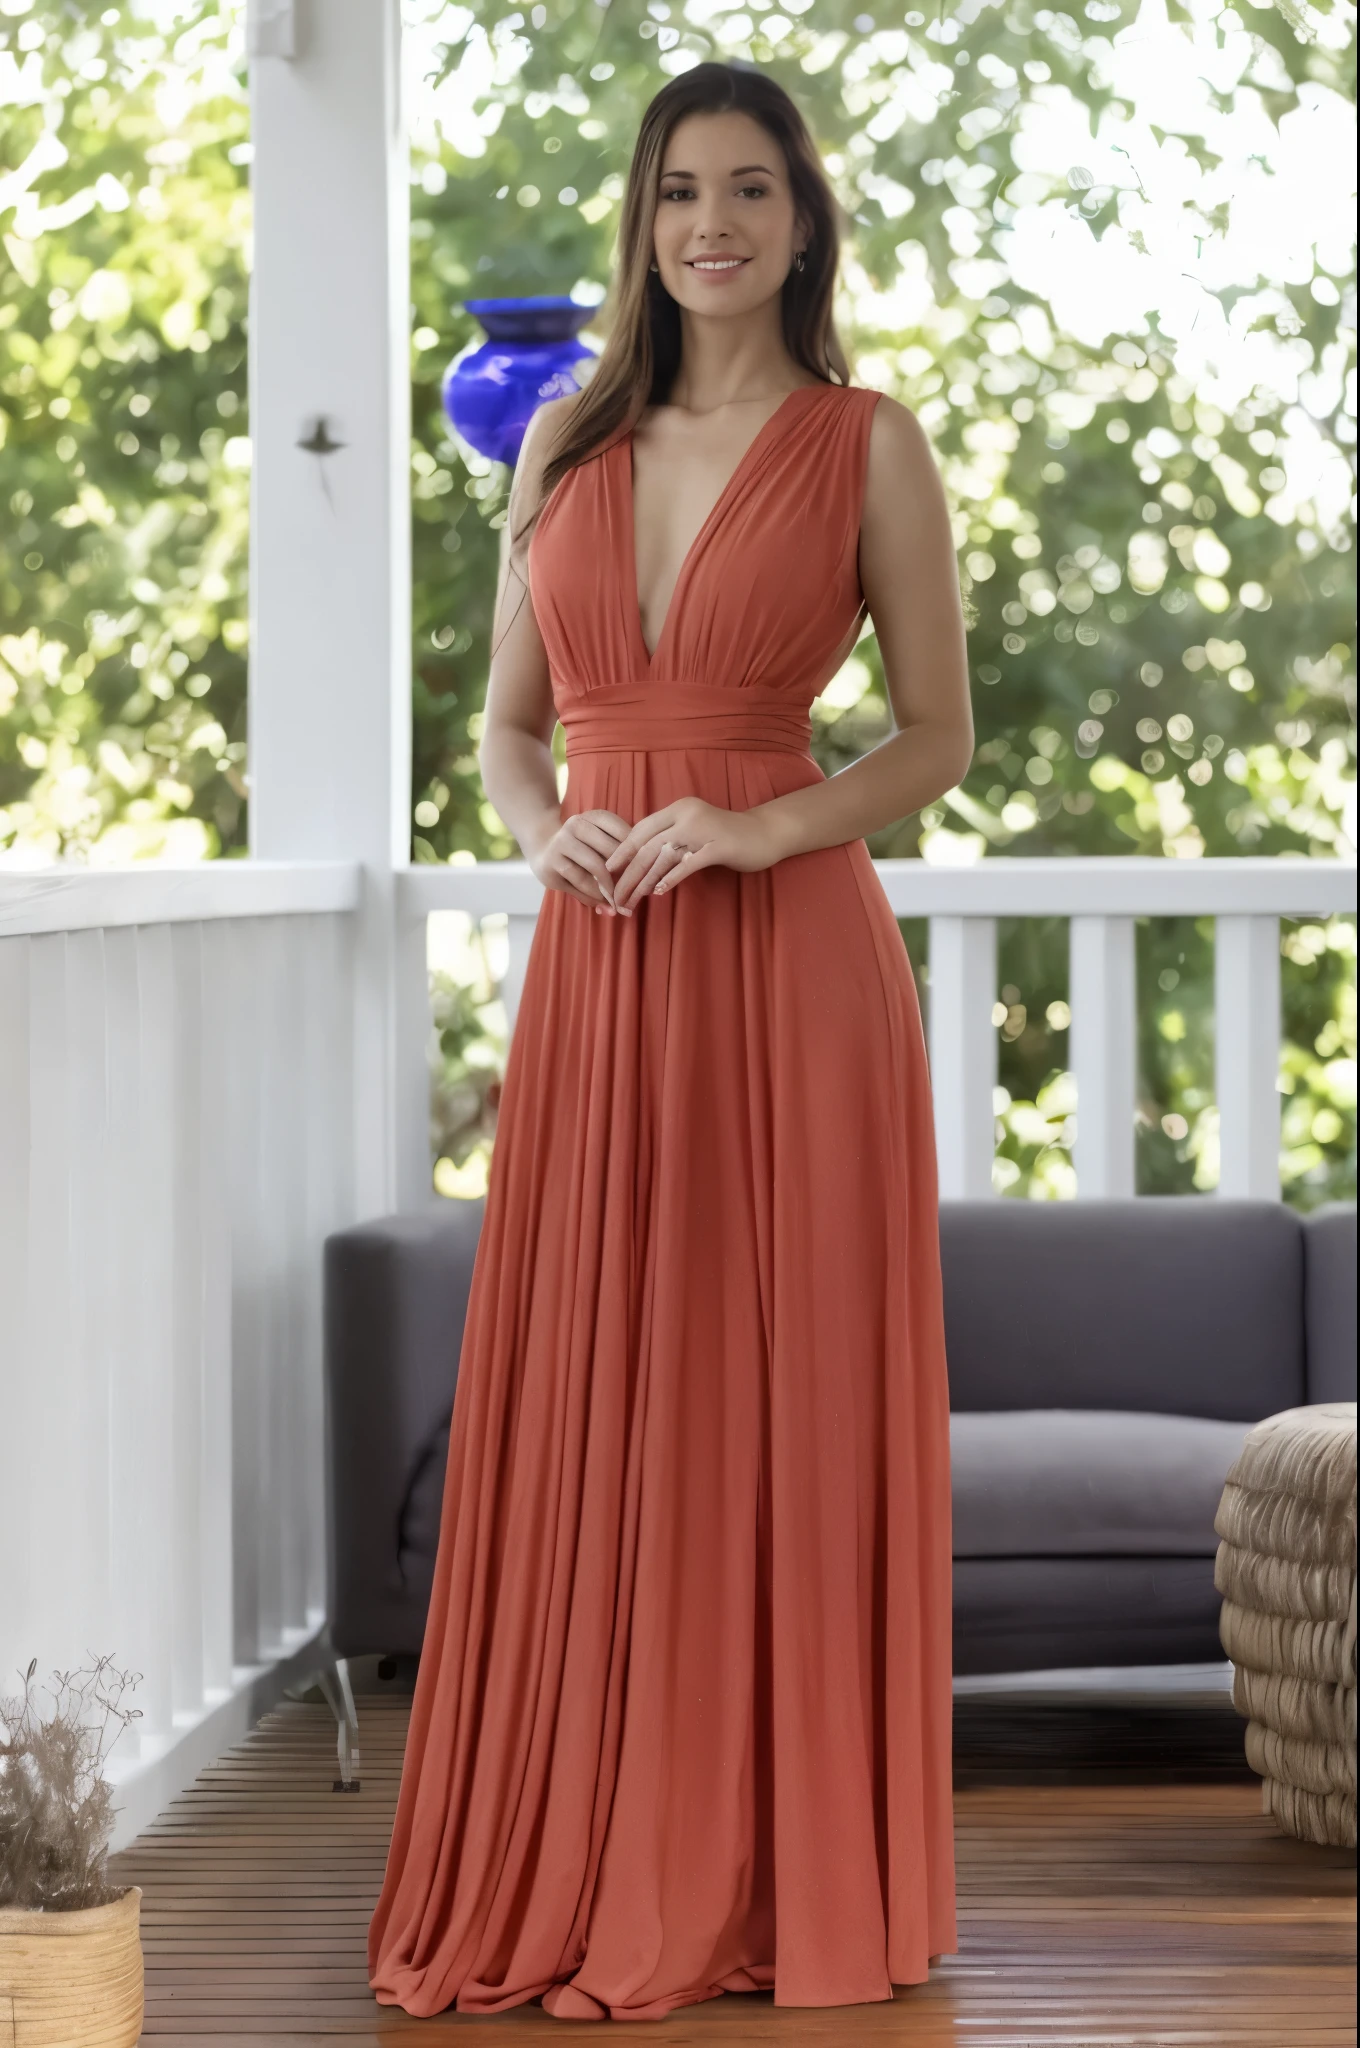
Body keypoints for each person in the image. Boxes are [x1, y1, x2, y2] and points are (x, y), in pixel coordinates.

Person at [368, 57, 971, 2024]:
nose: (708, 223)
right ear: (642, 227)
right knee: (603, 1405)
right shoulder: (563, 433)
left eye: (746, 190)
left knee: (769, 1396)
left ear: (799, 222)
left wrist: (750, 823)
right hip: (602, 968)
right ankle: (591, 1837)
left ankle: (772, 1867)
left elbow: (934, 739)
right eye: (674, 194)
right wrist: (558, 847)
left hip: (789, 964)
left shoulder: (865, 442)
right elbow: (509, 735)